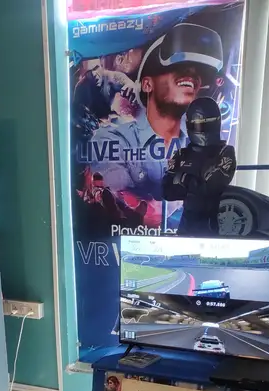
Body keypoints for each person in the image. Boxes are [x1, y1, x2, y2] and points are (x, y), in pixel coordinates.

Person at [88, 23, 223, 201]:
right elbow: (118, 199)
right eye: (179, 67)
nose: (192, 74)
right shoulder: (111, 139)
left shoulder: (202, 142)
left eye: (198, 72)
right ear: (147, 85)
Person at [162, 97, 236, 235]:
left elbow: (211, 188)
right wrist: (195, 181)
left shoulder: (225, 152)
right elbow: (168, 192)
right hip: (186, 225)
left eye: (205, 124)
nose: (201, 129)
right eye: (196, 124)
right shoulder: (182, 154)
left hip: (213, 225)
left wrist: (184, 179)